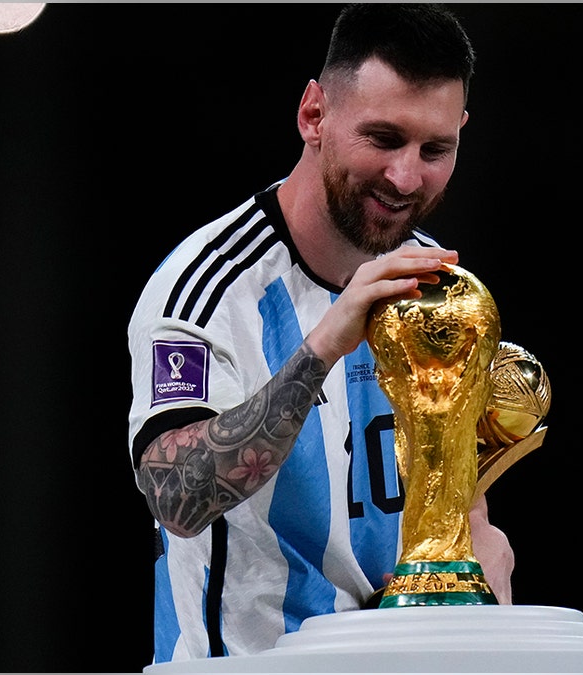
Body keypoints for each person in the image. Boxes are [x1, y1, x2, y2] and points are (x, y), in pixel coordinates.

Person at [126, 4, 514, 663]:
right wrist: (325, 343)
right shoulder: (206, 288)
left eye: (435, 149)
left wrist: (483, 554)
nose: (405, 176)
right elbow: (178, 498)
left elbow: (461, 494)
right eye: (383, 139)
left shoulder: (439, 285)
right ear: (313, 115)